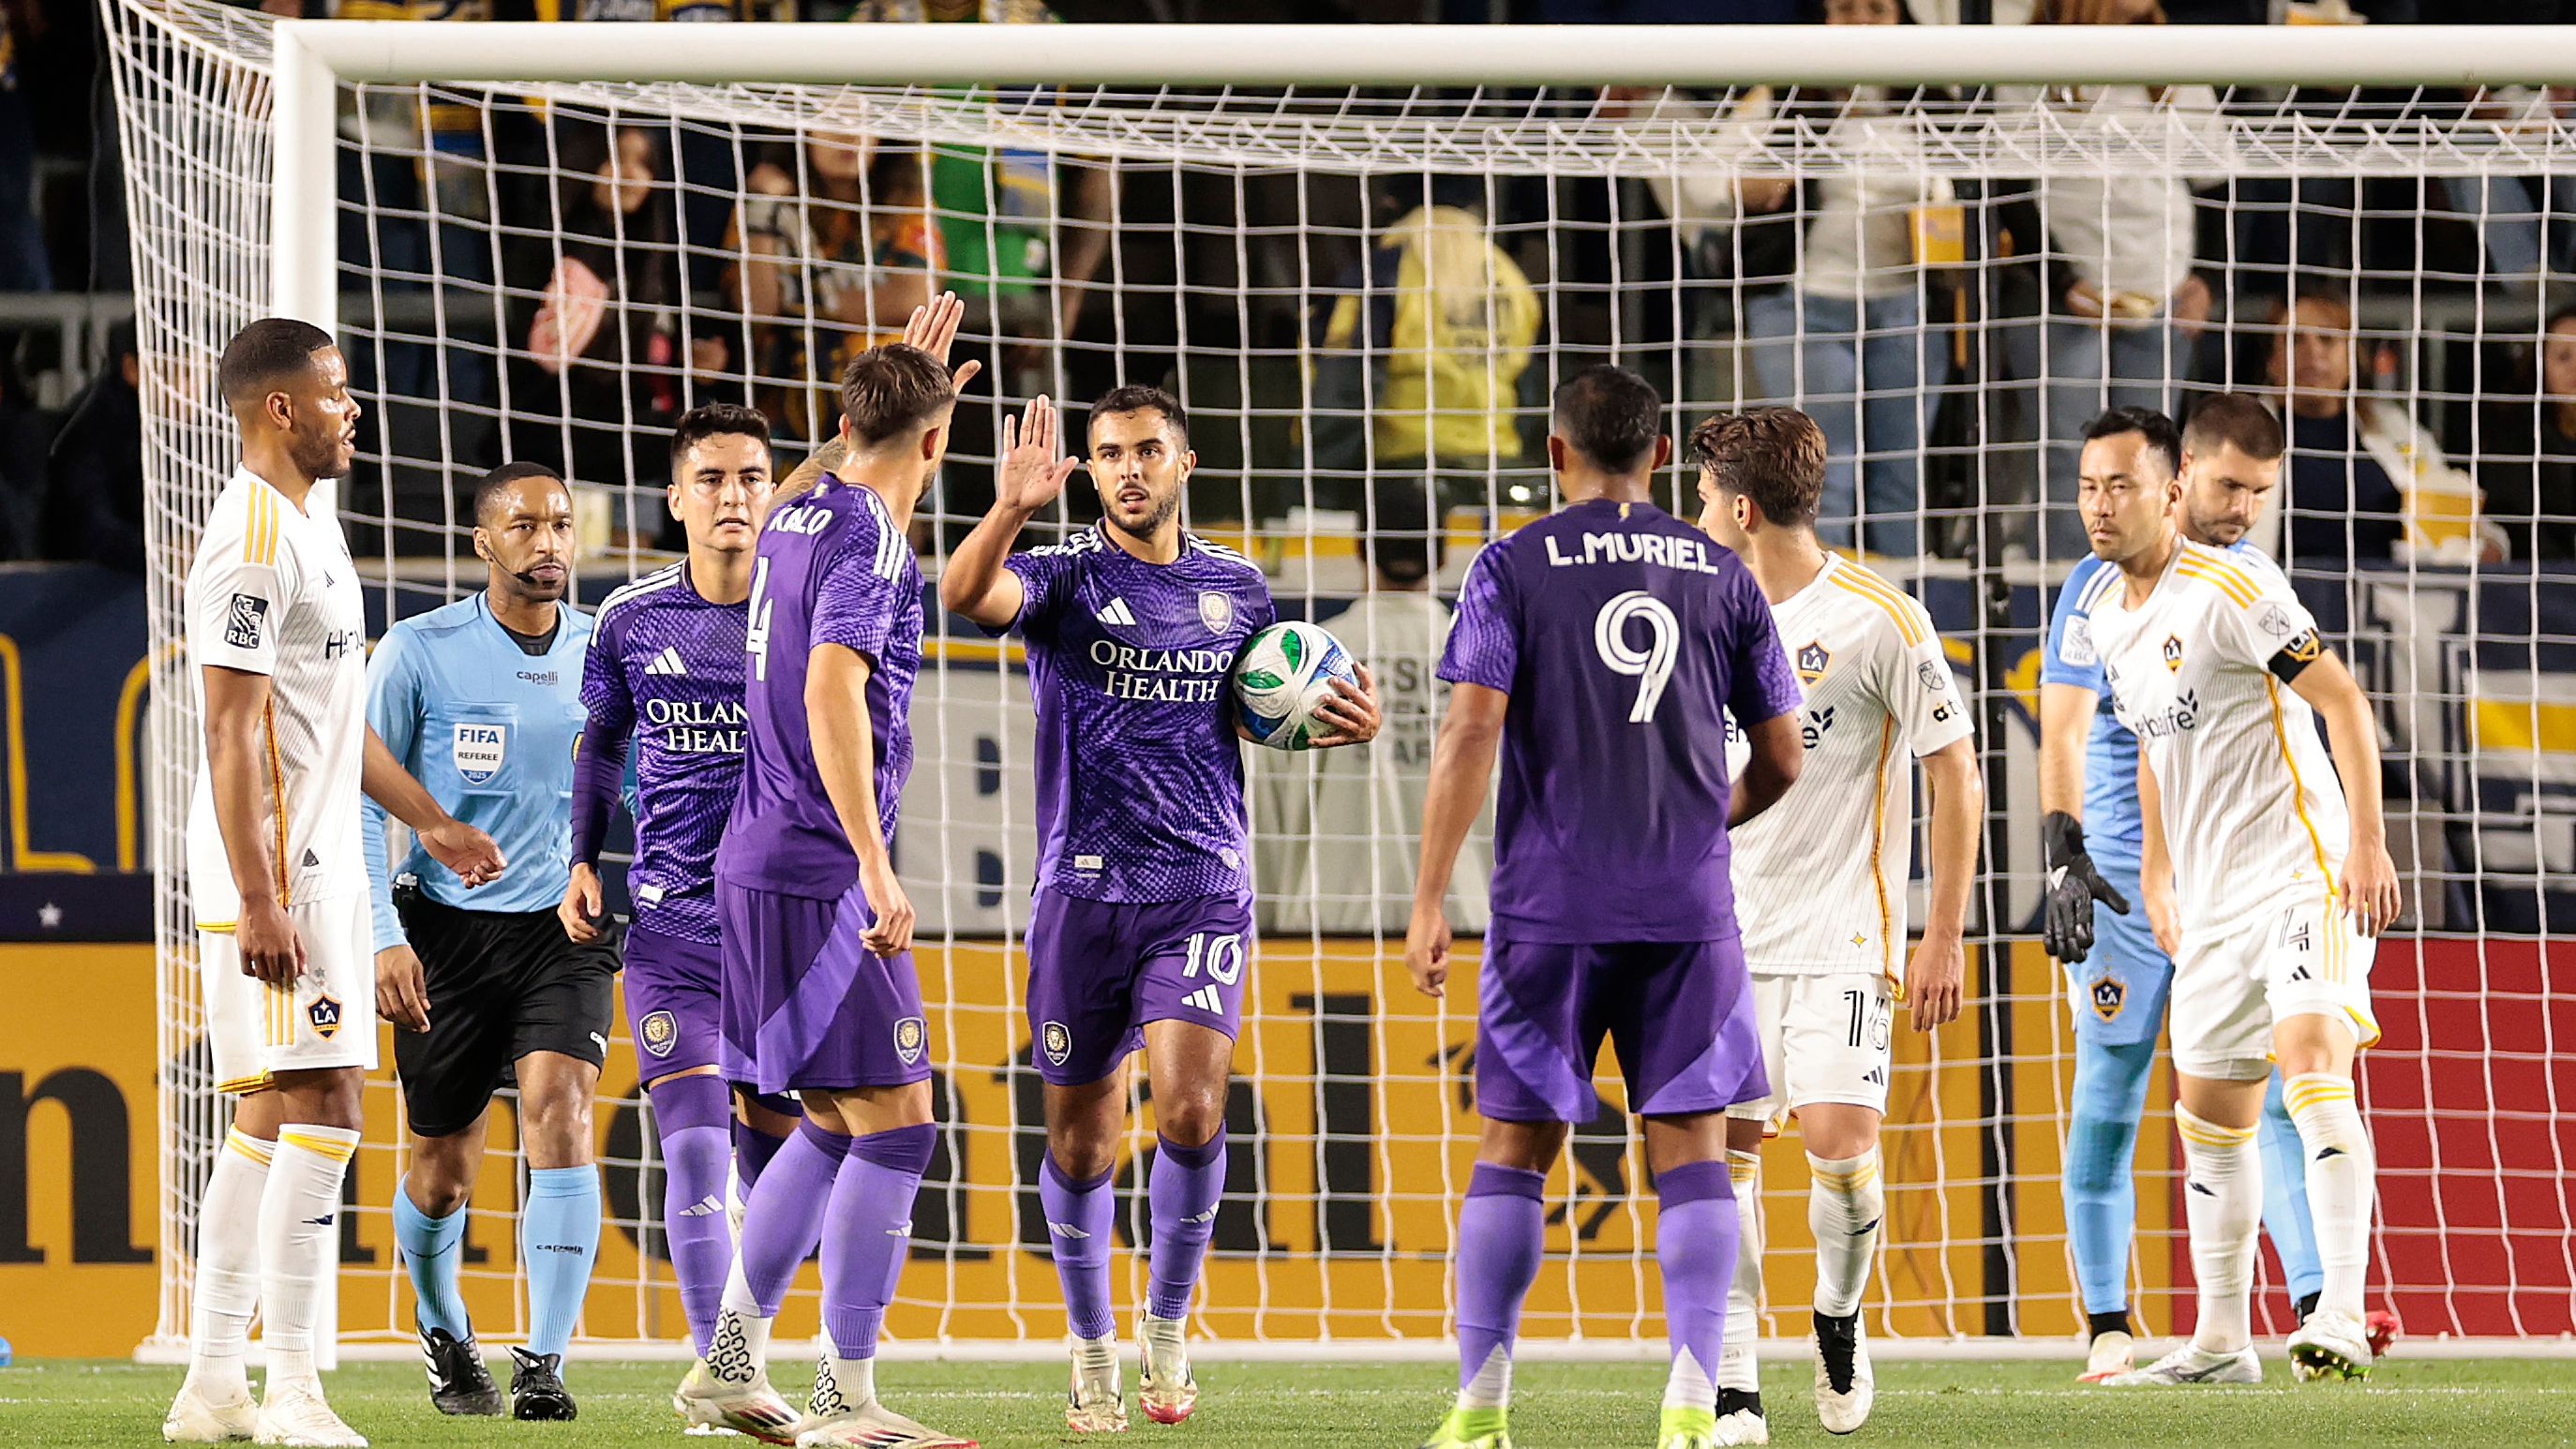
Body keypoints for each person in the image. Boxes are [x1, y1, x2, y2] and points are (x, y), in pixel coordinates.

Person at [941, 383, 1383, 1431]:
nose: (1128, 468)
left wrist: (1330, 726)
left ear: (1185, 464)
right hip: (1083, 895)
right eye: (1107, 454)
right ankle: (1090, 1343)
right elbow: (964, 594)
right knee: (1084, 1145)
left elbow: (1261, 709)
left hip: (1201, 888)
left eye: (1146, 450)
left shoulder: (1238, 585)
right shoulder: (1058, 576)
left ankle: (1168, 1327)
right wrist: (1009, 506)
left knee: (1189, 1110)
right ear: (1086, 471)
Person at [1405, 365, 1806, 1449]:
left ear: (1554, 452)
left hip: (1549, 911)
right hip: (1687, 913)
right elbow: (1782, 757)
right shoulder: (1724, 577)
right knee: (1691, 1152)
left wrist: (1432, 892)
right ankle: (1689, 1403)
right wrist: (1699, 819)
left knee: (1514, 1149)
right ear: (1663, 456)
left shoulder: (1510, 564)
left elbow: (1471, 732)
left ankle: (1481, 1410)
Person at [163, 318, 503, 1448]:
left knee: (270, 1114)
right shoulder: (251, 536)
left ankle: (215, 1381)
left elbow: (331, 716)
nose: (352, 407)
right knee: (329, 1104)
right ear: (280, 409)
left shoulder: (313, 527)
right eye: (337, 391)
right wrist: (261, 897)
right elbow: (226, 726)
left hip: (317, 864)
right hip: (283, 872)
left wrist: (433, 823)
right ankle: (295, 1391)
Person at [696, 298, 980, 1449]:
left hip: (753, 859)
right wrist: (875, 862)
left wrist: (889, 389)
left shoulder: (800, 508)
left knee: (826, 1118)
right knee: (902, 1123)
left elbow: (834, 457)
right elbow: (831, 689)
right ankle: (844, 1397)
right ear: (938, 440)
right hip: (819, 869)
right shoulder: (865, 534)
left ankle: (726, 1368)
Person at [2079, 400, 2401, 1389]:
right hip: (2211, 905)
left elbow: (2342, 699)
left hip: (2302, 874)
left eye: (2122, 485)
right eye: (2089, 486)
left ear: (2169, 489)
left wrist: (2368, 845)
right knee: (2212, 1118)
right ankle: (2222, 1341)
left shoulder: (2235, 584)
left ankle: (2340, 1310)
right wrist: (2161, 873)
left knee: (2310, 1068)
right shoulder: (2098, 611)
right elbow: (2150, 743)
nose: (2101, 506)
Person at [1691, 406, 1983, 1441]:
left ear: (1741, 506)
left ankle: (1838, 1314)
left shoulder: (1879, 617)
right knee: (1715, 1161)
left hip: (1842, 932)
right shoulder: (1691, 613)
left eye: (1704, 496)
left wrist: (1940, 933)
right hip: (1714, 936)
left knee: (1839, 1153)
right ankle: (1734, 1383)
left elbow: (1956, 769)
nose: (1695, 514)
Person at [562, 403, 801, 1424]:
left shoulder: (811, 612)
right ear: (677, 498)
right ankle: (724, 1373)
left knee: (784, 1151)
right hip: (671, 932)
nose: (733, 495)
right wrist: (581, 858)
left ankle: (743, 1347)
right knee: (695, 1140)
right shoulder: (631, 618)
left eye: (752, 476)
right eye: (711, 478)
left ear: (775, 493)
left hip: (788, 932)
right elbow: (601, 743)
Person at [363, 462, 615, 1421]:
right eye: (524, 525)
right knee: (443, 1169)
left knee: (561, 1107)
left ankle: (543, 1360)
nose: (547, 542)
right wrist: (386, 935)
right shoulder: (419, 651)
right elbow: (354, 791)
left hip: (563, 926)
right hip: (441, 936)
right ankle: (443, 1330)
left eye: (559, 524)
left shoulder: (603, 650)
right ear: (484, 541)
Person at [1258, 480, 1490, 935]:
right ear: (1442, 554)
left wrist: (1263, 934)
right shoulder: (1486, 668)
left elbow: (1263, 817)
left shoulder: (1297, 670)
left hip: (1321, 937)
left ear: (1360, 548)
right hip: (1465, 933)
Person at [2265, 288, 2463, 570]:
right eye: (2296, 340)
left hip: (2386, 604)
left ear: (2350, 359)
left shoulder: (2395, 428)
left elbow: (2451, 503)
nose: (2313, 353)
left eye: (2327, 339)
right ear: (2272, 361)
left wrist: (2488, 543)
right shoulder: (2239, 434)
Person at [2479, 302, 2576, 563]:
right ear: (2541, 367)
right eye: (2563, 357)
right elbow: (2516, 530)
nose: (2575, 370)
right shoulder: (2516, 442)